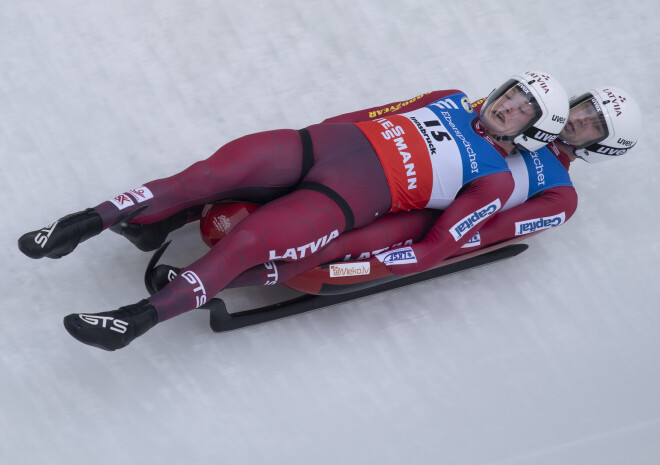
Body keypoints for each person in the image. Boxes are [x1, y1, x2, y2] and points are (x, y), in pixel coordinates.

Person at [18, 71, 569, 351]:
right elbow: (369, 112)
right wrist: (325, 134)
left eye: (523, 110)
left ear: (530, 131)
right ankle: (77, 225)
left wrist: (363, 264)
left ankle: (133, 321)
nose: (509, 105)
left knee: (247, 243)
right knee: (201, 177)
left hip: (339, 202)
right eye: (512, 93)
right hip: (312, 146)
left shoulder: (494, 179)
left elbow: (436, 245)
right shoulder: (449, 95)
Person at [191, 86, 641, 290]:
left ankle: (218, 282)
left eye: (595, 123)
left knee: (345, 238)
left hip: (433, 215)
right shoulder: (516, 114)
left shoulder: (562, 196)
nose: (581, 119)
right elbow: (405, 116)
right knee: (287, 170)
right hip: (397, 172)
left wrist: (431, 246)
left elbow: (491, 230)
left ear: (603, 146)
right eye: (586, 107)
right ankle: (177, 210)